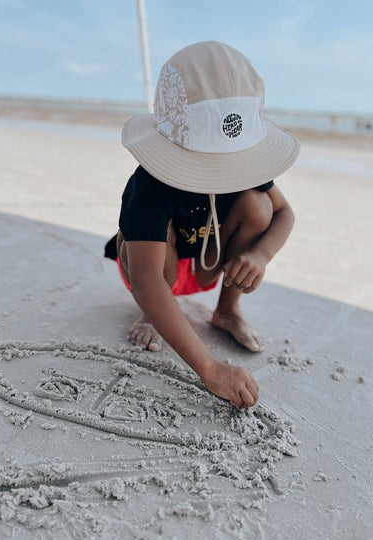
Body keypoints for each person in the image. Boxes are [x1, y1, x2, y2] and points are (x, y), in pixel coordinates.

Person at [105, 41, 300, 409]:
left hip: (209, 263)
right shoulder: (149, 183)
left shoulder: (246, 168)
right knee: (147, 238)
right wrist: (210, 369)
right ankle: (153, 315)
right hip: (153, 271)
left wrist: (260, 255)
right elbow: (145, 280)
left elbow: (284, 213)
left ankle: (227, 310)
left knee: (259, 206)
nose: (220, 173)